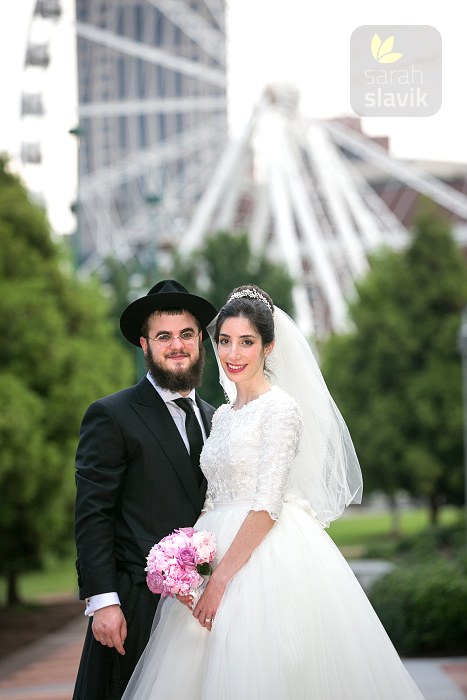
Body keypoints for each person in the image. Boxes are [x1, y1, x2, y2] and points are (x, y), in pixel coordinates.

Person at [122, 284, 425, 700]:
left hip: (264, 555)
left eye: (247, 342)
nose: (234, 353)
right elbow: (212, 493)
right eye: (225, 341)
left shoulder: (280, 409)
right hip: (217, 544)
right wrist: (188, 560)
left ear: (269, 347)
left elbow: (267, 505)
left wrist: (220, 581)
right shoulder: (223, 415)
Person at [73, 279, 218, 700]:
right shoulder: (111, 415)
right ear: (145, 345)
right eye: (164, 336)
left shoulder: (219, 421)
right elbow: (92, 513)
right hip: (137, 610)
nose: (177, 345)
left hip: (209, 612)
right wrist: (103, 602)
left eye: (186, 334)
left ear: (199, 342)